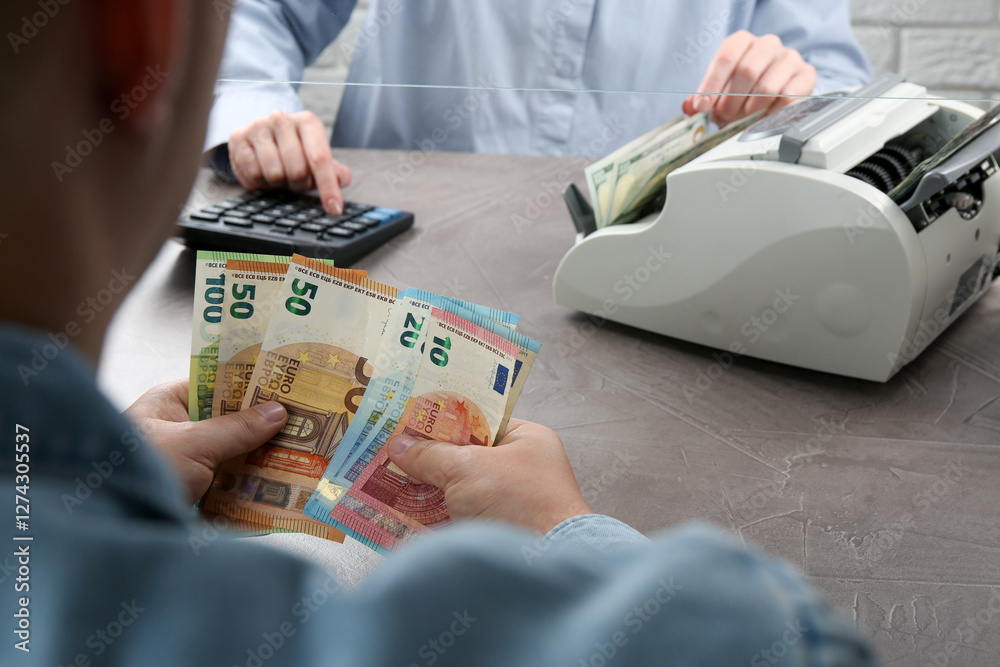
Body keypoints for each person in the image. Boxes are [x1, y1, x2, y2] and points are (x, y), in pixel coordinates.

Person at [0, 1, 875, 664]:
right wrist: (573, 533)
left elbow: (843, 91)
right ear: (138, 39)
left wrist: (798, 101)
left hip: (656, 302)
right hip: (413, 272)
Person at [205, 0, 873, 214]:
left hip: (651, 269)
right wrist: (252, 110)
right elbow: (263, 13)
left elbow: (838, 82)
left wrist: (796, 98)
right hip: (391, 249)